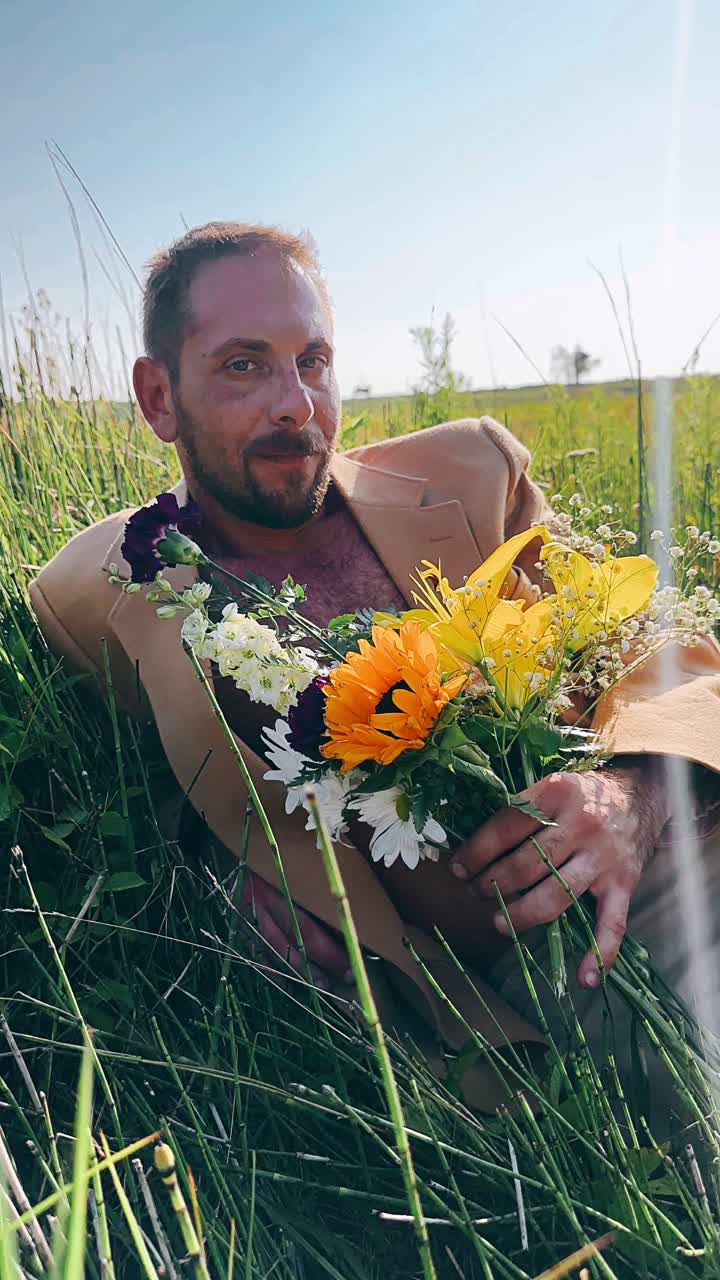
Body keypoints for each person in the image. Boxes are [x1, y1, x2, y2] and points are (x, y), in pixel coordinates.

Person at [30, 222, 720, 1109]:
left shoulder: (471, 476)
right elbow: (127, 790)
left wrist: (638, 789)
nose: (296, 404)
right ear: (158, 397)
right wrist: (216, 861)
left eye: (312, 360)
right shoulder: (94, 595)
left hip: (652, 870)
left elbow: (655, 638)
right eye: (244, 365)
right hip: (451, 989)